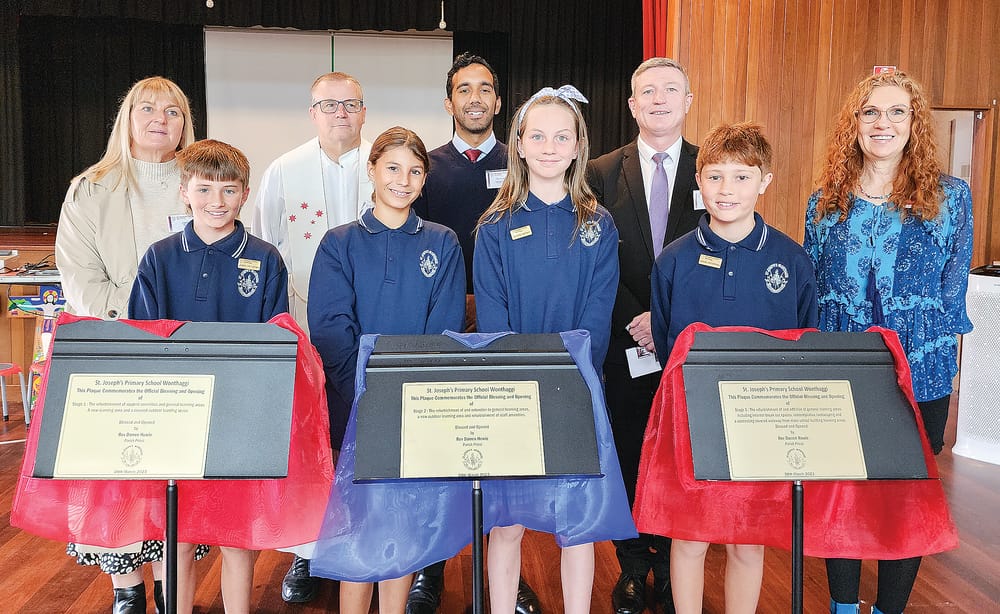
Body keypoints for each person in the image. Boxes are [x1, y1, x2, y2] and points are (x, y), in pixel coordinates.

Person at [804, 70, 972, 614]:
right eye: (871, 112)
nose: (883, 122)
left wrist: (928, 357)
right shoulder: (823, 201)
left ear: (915, 123)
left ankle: (890, 608)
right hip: (842, 370)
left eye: (897, 111)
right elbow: (814, 290)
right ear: (854, 124)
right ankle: (844, 605)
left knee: (906, 494)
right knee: (843, 491)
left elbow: (952, 291)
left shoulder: (952, 198)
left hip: (918, 372)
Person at [637, 122, 817, 614]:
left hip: (763, 422)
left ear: (765, 181)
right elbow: (666, 339)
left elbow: (805, 337)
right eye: (715, 177)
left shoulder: (792, 260)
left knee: (746, 540)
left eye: (741, 177)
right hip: (693, 420)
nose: (727, 190)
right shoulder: (673, 260)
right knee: (690, 537)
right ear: (699, 182)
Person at [473, 86, 636, 614]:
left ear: (577, 146)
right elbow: (494, 317)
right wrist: (518, 379)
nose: (549, 146)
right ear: (519, 144)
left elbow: (597, 312)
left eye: (561, 136)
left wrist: (570, 375)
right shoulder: (494, 226)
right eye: (537, 135)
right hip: (511, 391)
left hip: (576, 389)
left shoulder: (598, 224)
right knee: (507, 523)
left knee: (577, 522)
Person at [53, 75, 203, 614]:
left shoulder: (200, 181)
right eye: (148, 108)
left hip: (185, 352)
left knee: (174, 473)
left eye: (173, 110)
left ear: (185, 122)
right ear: (128, 118)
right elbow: (78, 276)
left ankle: (172, 587)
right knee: (120, 477)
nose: (160, 118)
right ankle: (127, 591)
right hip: (115, 350)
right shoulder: (90, 187)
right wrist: (137, 319)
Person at [305, 126, 465, 614]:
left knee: (403, 526)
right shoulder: (339, 244)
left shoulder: (443, 242)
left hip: (417, 409)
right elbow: (331, 328)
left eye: (415, 171)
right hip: (355, 409)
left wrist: (410, 396)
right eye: (392, 167)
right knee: (359, 527)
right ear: (372, 170)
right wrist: (368, 397)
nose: (404, 179)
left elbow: (444, 329)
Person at [128, 139, 288, 614]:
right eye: (204, 189)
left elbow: (276, 342)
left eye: (228, 190)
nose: (216, 201)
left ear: (245, 194)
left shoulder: (265, 257)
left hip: (239, 421)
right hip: (177, 417)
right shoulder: (160, 257)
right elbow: (143, 340)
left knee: (238, 539)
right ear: (184, 192)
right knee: (178, 537)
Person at [408, 52, 540, 614]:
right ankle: (428, 570)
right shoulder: (427, 166)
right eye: (465, 89)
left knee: (499, 450)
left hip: (504, 322)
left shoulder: (525, 163)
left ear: (499, 101)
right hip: (441, 321)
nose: (477, 98)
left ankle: (506, 575)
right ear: (449, 102)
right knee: (440, 449)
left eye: (487, 88)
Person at [586, 57, 702, 614]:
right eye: (646, 92)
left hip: (687, 341)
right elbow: (593, 259)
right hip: (622, 338)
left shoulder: (713, 169)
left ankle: (670, 558)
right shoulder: (601, 172)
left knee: (681, 453)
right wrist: (639, 319)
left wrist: (667, 321)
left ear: (688, 101)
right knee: (630, 448)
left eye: (670, 90)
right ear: (631, 105)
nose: (658, 99)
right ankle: (633, 563)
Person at [251, 70, 372, 603]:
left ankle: (373, 541)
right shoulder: (284, 170)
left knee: (364, 443)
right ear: (312, 112)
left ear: (364, 111)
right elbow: (268, 248)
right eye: (329, 105)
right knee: (308, 445)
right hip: (307, 329)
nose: (341, 113)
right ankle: (306, 555)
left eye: (350, 104)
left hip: (372, 330)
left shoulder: (385, 167)